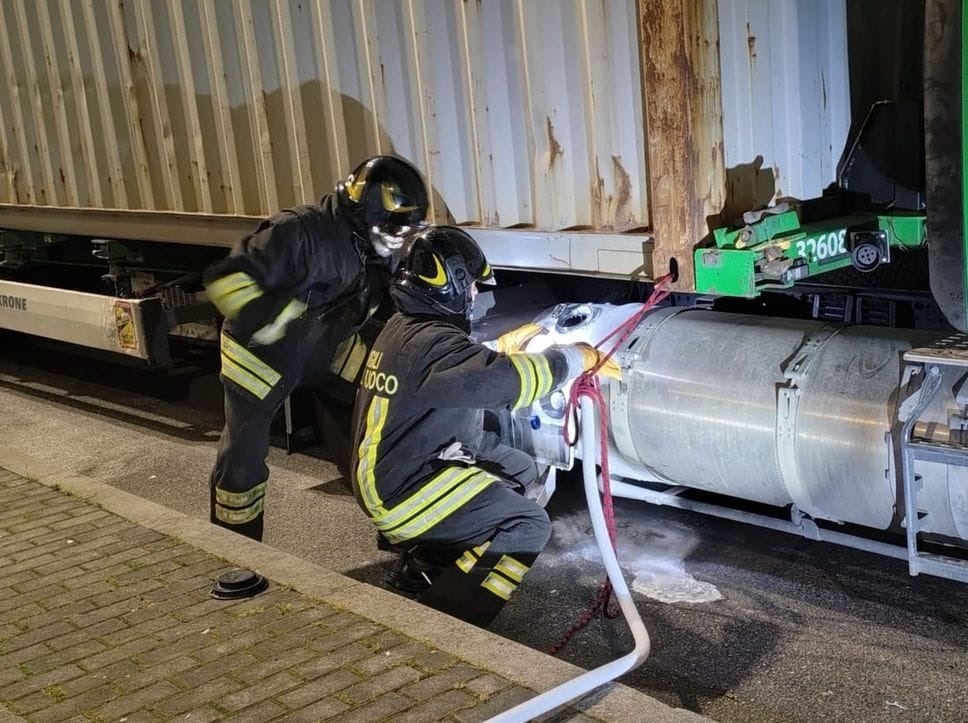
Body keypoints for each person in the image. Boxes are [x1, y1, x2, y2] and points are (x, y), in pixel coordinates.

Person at [349, 225, 616, 627]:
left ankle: (427, 566)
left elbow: (459, 370)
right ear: (451, 285)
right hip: (404, 490)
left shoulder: (409, 328)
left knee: (521, 470)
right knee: (527, 525)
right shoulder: (432, 343)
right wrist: (574, 359)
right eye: (472, 285)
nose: (475, 294)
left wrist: (498, 348)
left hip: (401, 468)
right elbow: (505, 385)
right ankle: (451, 623)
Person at [204, 155, 428, 542]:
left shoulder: (373, 247)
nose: (397, 239)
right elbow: (227, 281)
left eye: (404, 230)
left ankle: (399, 523)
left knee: (379, 410)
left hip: (325, 348)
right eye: (391, 227)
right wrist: (272, 323)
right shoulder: (298, 231)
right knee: (244, 453)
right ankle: (235, 544)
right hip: (261, 358)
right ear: (363, 209)